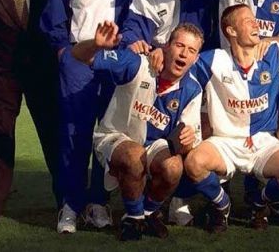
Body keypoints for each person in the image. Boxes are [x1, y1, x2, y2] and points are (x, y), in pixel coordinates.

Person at [41, 0, 152, 234]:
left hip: (118, 64)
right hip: (81, 58)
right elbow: (55, 14)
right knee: (74, 135)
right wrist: (63, 52)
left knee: (109, 138)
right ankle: (70, 206)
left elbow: (146, 9)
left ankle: (98, 204)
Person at [183, 4, 279, 232]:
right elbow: (181, 68)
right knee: (194, 164)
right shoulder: (214, 59)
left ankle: (258, 203)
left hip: (263, 141)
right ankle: (222, 205)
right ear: (231, 31)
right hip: (225, 141)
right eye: (248, 21)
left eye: (255, 20)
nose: (256, 24)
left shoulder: (274, 54)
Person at [71, 22, 203, 241]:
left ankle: (149, 213)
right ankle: (133, 217)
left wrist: (188, 139)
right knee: (134, 157)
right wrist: (96, 45)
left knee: (173, 167)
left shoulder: (193, 89)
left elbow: (189, 139)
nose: (184, 54)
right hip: (116, 136)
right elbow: (78, 54)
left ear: (196, 58)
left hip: (153, 144)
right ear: (166, 46)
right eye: (180, 45)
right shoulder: (137, 64)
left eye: (191, 50)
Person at [0, 0, 61, 223]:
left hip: (43, 75)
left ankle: (66, 202)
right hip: (2, 77)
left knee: (53, 139)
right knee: (1, 140)